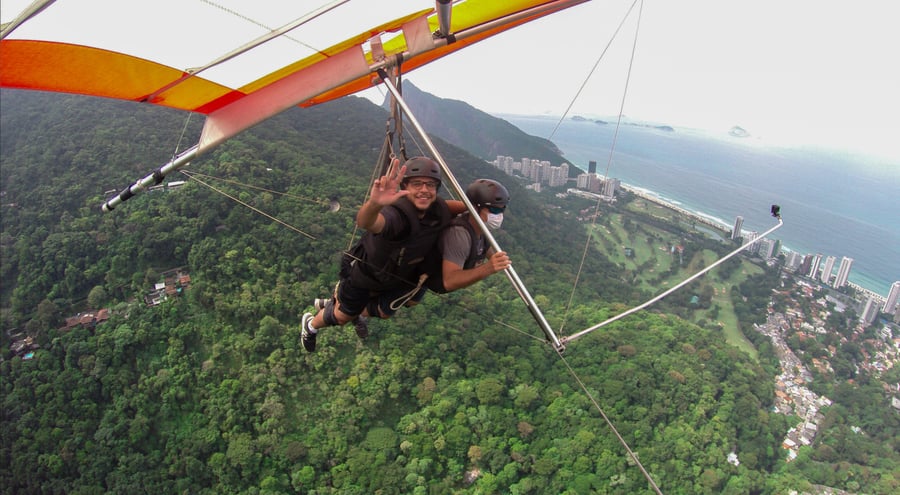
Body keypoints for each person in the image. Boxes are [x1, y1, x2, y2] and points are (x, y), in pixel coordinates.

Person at [300, 156, 452, 352]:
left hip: (388, 276)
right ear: (405, 187)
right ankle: (311, 325)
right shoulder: (396, 216)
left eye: (430, 185)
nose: (424, 189)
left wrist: (484, 208)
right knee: (342, 316)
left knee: (385, 310)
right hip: (362, 276)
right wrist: (375, 203)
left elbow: (460, 208)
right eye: (417, 184)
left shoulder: (437, 210)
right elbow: (367, 222)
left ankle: (339, 304)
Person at [425, 178, 511, 294]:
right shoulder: (459, 235)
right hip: (428, 280)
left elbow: (488, 250)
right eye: (494, 209)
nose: (498, 215)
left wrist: (498, 259)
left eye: (502, 209)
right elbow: (449, 281)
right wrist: (488, 268)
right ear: (475, 208)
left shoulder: (481, 227)